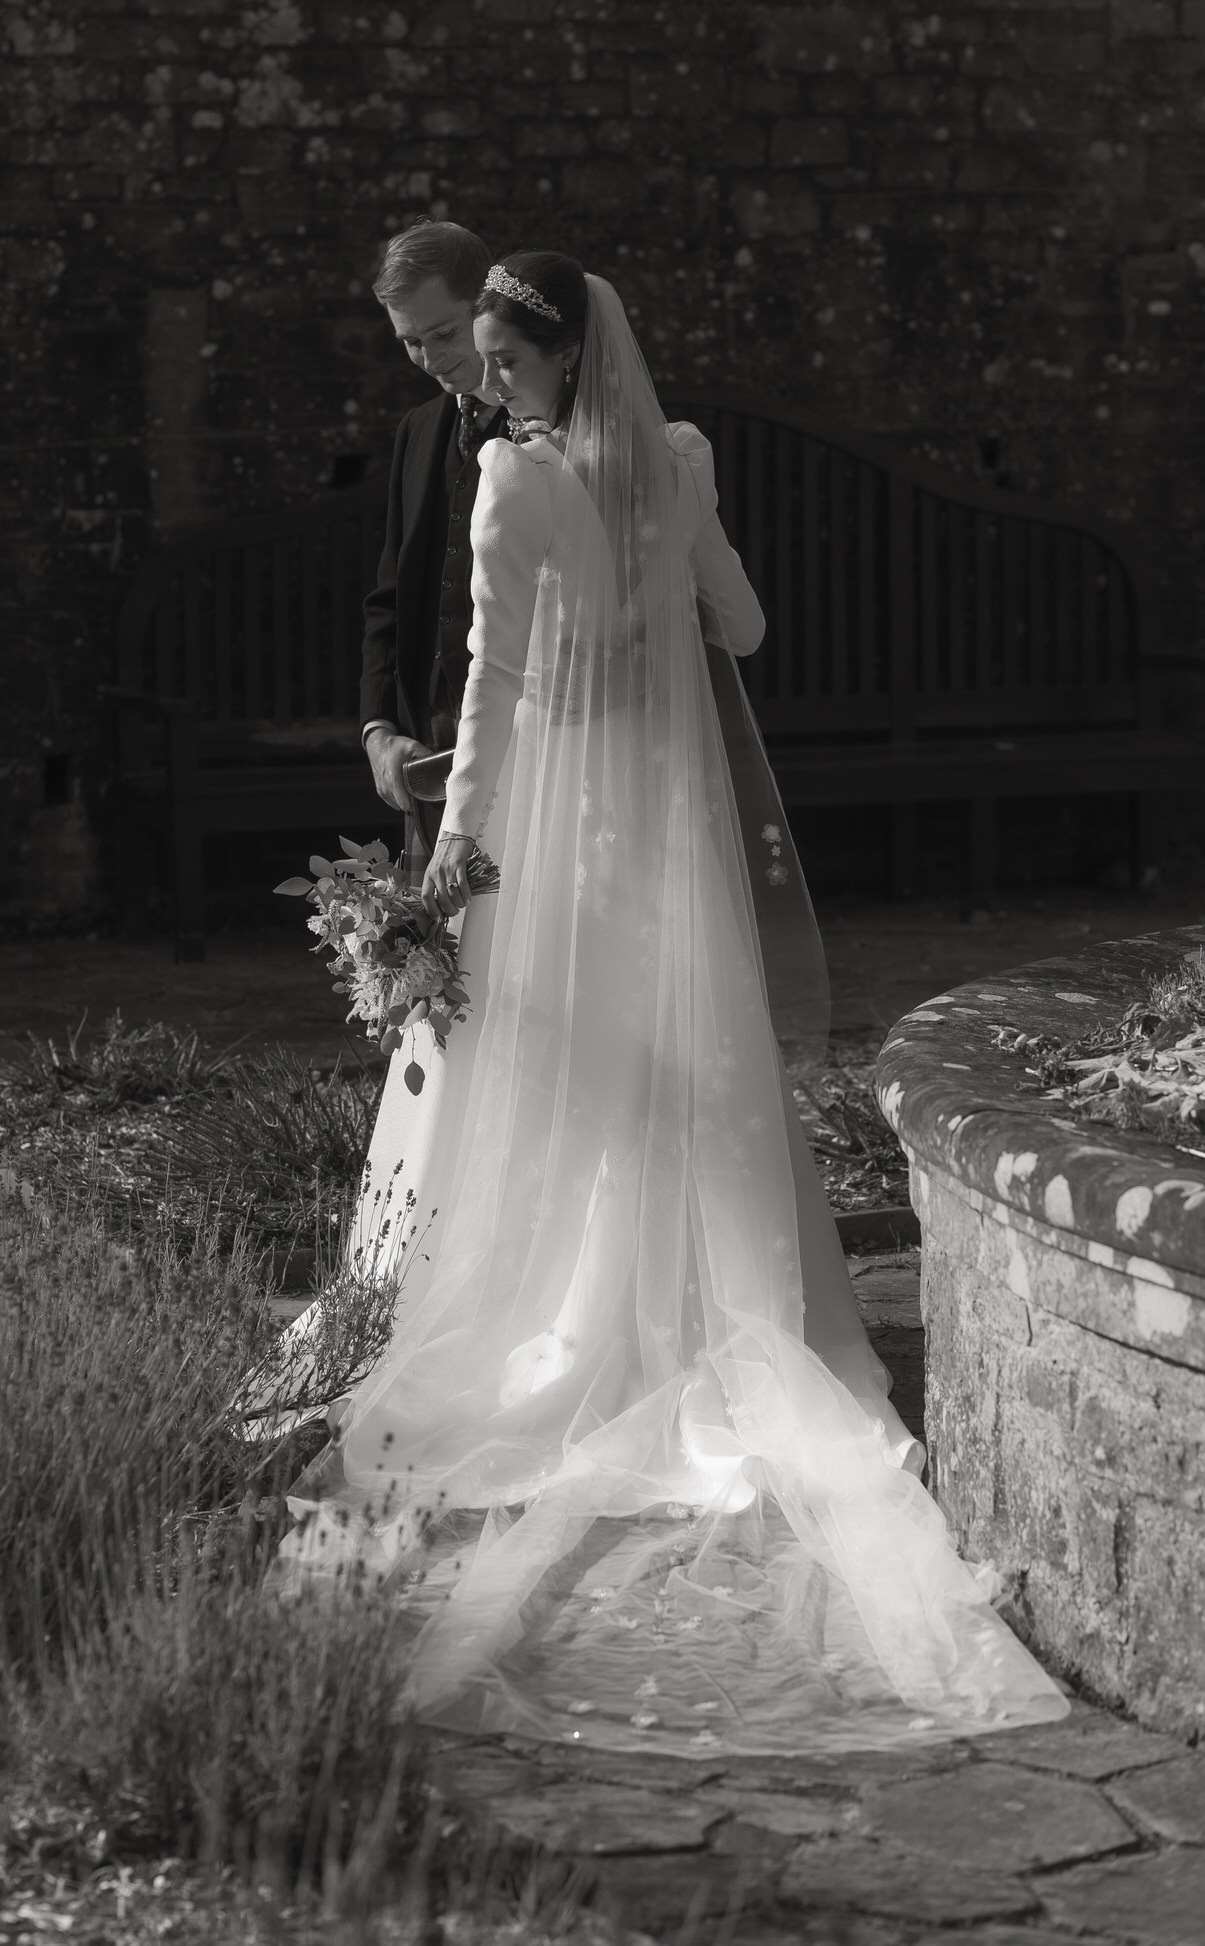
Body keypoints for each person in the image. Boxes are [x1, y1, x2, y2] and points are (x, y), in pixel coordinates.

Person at [280, 254, 1069, 1758]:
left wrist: (443, 876)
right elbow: (750, 631)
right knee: (684, 1055)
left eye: (502, 365)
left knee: (582, 1068)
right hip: (671, 821)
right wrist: (661, 600)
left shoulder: (511, 487)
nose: (489, 388)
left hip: (563, 832)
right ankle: (699, 1312)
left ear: (554, 360)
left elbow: (487, 687)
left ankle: (593, 1320)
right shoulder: (683, 460)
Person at [359, 219, 509, 868]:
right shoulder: (419, 430)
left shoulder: (556, 427)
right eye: (409, 342)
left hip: (528, 752)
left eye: (443, 333)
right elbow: (389, 595)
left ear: (486, 306)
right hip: (428, 756)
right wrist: (378, 729)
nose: (429, 358)